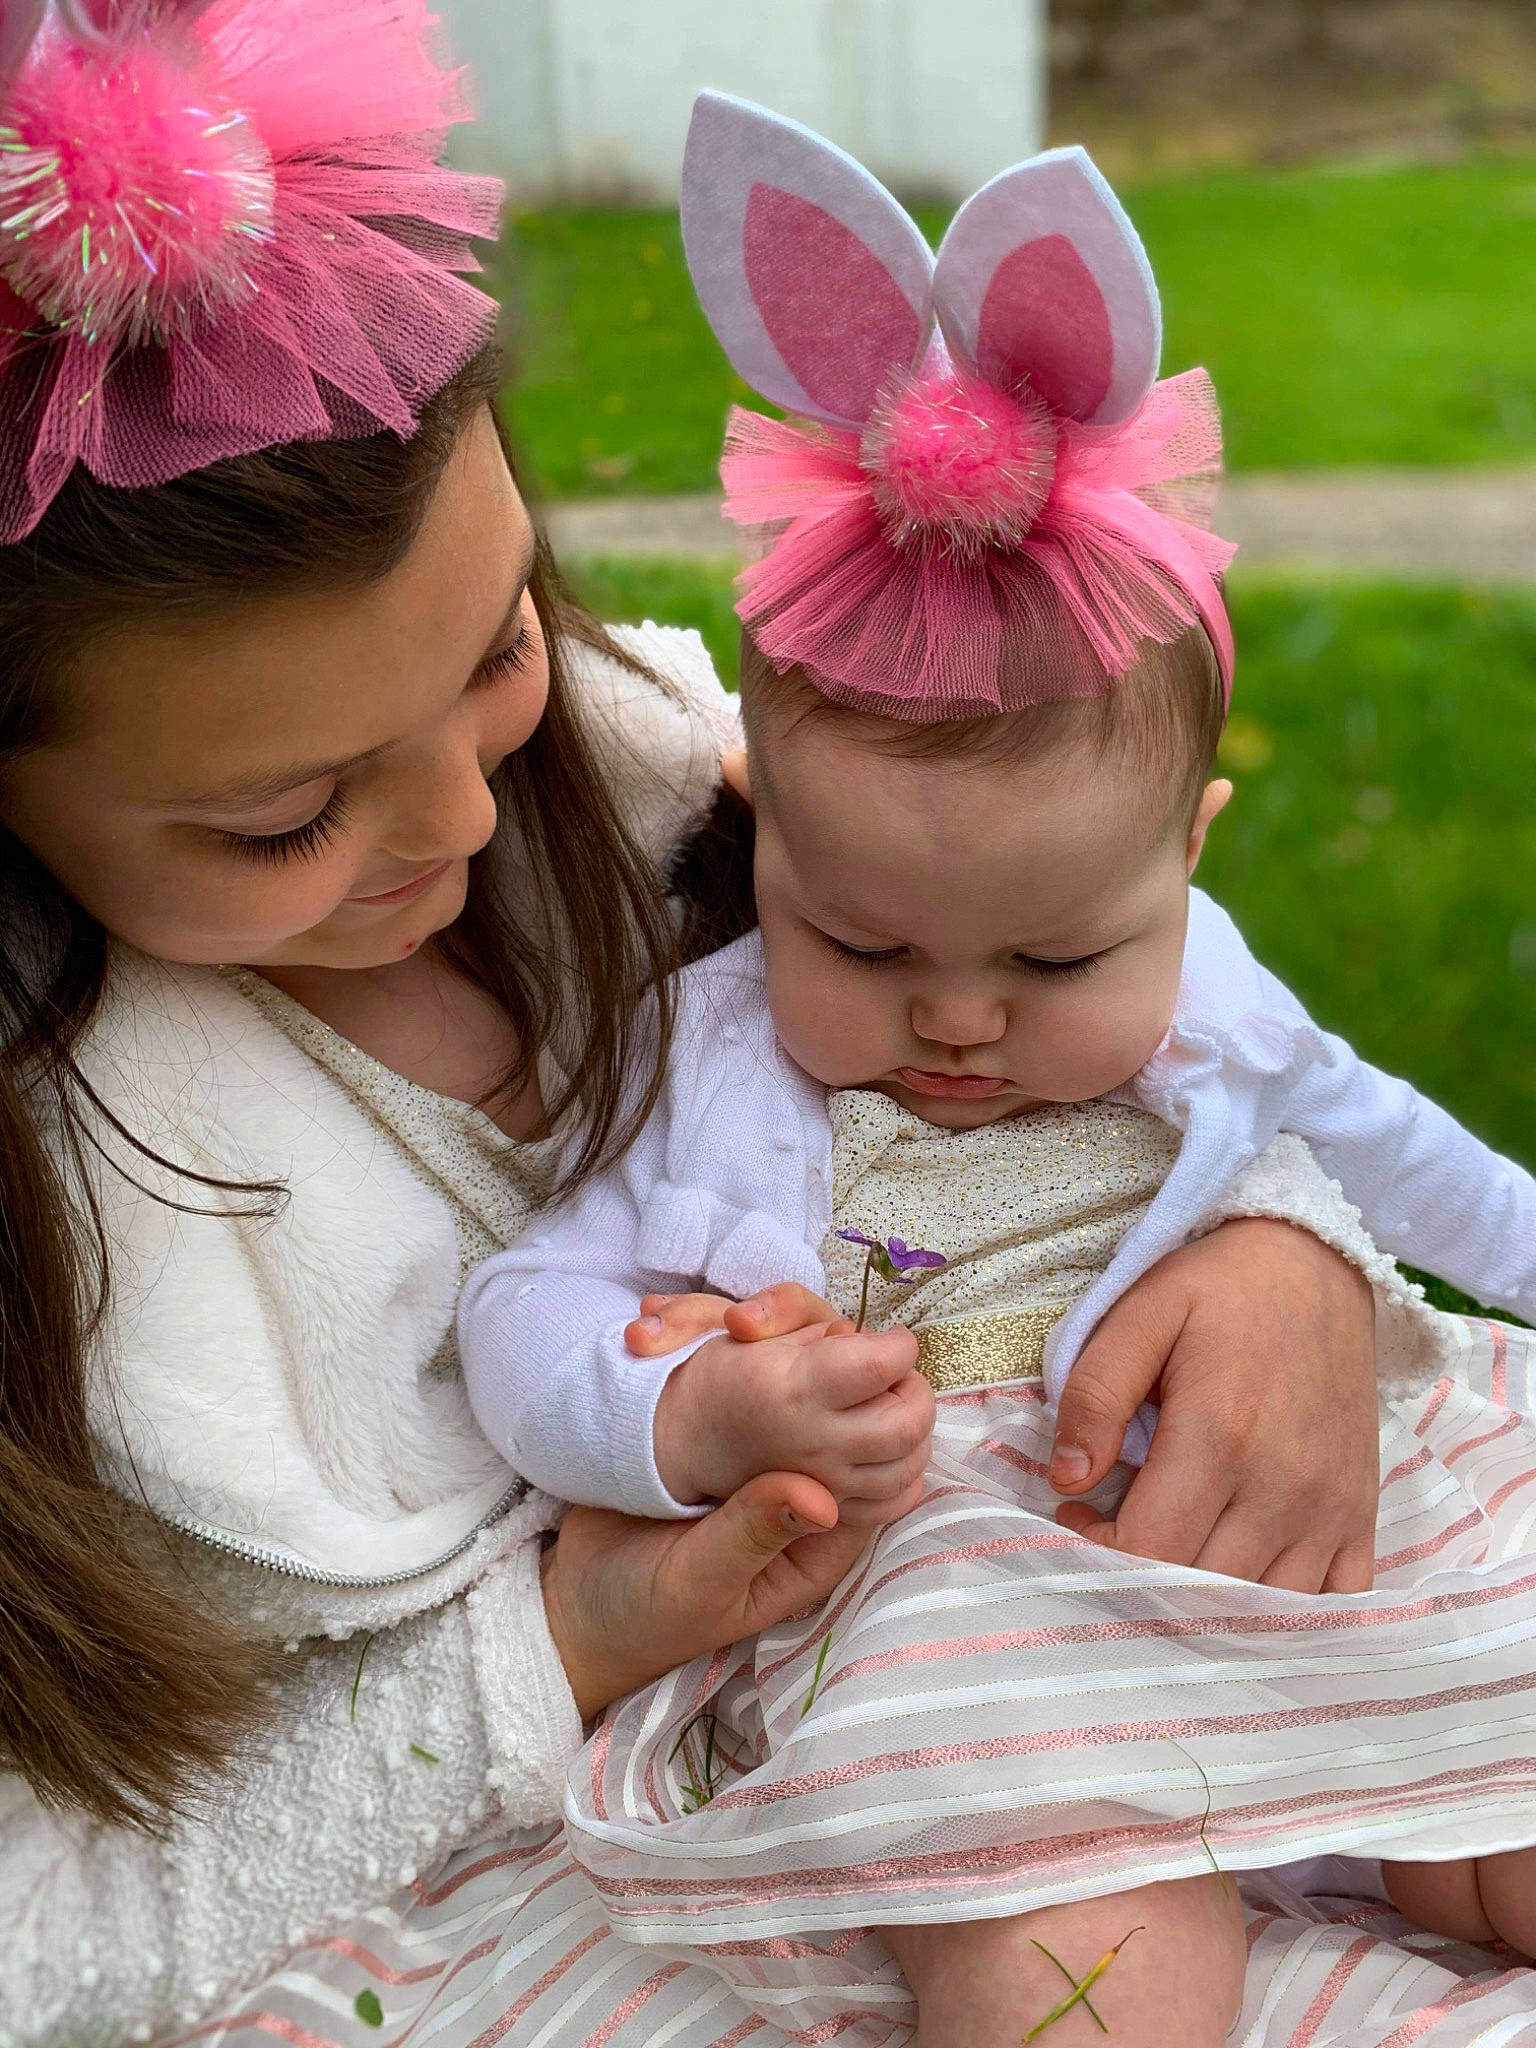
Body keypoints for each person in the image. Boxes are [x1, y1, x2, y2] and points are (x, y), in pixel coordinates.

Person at [0, 17, 1402, 2048]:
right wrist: (566, 1635)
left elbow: (1046, 913)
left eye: (498, 651)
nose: (474, 822)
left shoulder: (640, 756)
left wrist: (1280, 1234)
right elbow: (45, 1932)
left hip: (1086, 1641)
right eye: (287, 816)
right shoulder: (77, 1202)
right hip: (585, 1893)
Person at [455, 98, 1536, 2048]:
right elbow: (527, 1305)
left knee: (1495, 1774)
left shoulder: (1216, 996)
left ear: (1190, 853)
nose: (957, 1018)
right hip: (993, 1655)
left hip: (1294, 1563)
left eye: (1055, 959)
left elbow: (1418, 1158)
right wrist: (692, 1414)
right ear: (755, 818)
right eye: (862, 946)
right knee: (1080, 1962)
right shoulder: (698, 1056)